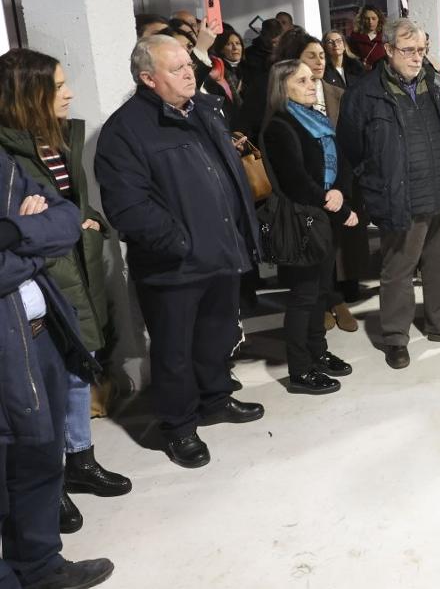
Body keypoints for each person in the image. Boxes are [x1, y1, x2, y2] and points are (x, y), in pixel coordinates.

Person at [95, 35, 265, 468]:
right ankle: (178, 427)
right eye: (177, 69)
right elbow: (128, 207)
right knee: (174, 352)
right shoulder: (125, 131)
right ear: (148, 79)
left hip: (222, 249)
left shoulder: (205, 110)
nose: (190, 73)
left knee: (216, 336)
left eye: (188, 64)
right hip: (175, 264)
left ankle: (215, 399)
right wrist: (180, 243)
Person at [0, 50, 132, 537]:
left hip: (75, 263)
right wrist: (48, 226)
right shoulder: (8, 154)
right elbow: (22, 231)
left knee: (79, 365)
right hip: (41, 279)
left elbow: (64, 208)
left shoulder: (54, 138)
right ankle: (50, 480)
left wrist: (82, 218)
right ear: (27, 94)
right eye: (57, 86)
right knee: (47, 385)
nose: (69, 93)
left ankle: (80, 459)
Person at [0, 144, 115, 589]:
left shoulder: (4, 163)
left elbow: (65, 218)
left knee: (41, 458)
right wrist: (32, 246)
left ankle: (40, 566)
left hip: (42, 335)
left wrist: (13, 231)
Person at [337, 18, 440, 370]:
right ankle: (396, 337)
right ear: (388, 50)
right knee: (399, 270)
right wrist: (374, 184)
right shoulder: (365, 93)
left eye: (421, 50)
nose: (417, 57)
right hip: (400, 196)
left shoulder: (438, 84)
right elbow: (351, 148)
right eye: (408, 50)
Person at [261, 61, 359, 395]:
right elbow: (295, 180)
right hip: (302, 219)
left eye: (311, 79)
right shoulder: (280, 125)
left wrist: (340, 192)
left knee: (321, 291)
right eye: (301, 80)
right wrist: (336, 204)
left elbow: (339, 162)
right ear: (282, 87)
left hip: (323, 215)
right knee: (303, 297)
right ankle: (300, 370)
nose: (311, 84)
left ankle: (318, 352)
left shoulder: (315, 119)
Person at [275, 30, 366, 323]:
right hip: (307, 198)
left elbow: (349, 144)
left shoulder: (337, 93)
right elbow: (292, 168)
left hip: (340, 188)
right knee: (310, 274)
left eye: (322, 56)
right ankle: (322, 307)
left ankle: (335, 300)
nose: (319, 61)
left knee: (338, 254)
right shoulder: (282, 113)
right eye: (310, 56)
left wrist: (340, 190)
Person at [238, 17, 284, 138]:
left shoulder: (284, 55)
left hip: (280, 106)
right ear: (263, 35)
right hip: (256, 107)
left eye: (277, 41)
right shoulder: (248, 54)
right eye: (271, 41)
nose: (274, 45)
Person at [347, 5, 387, 69]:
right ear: (362, 20)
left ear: (379, 19)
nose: (370, 22)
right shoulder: (355, 38)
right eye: (367, 19)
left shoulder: (385, 38)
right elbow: (350, 60)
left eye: (373, 18)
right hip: (361, 73)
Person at [211, 29, 246, 99]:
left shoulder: (250, 67)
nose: (235, 48)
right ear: (221, 49)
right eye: (229, 44)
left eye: (237, 43)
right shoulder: (216, 71)